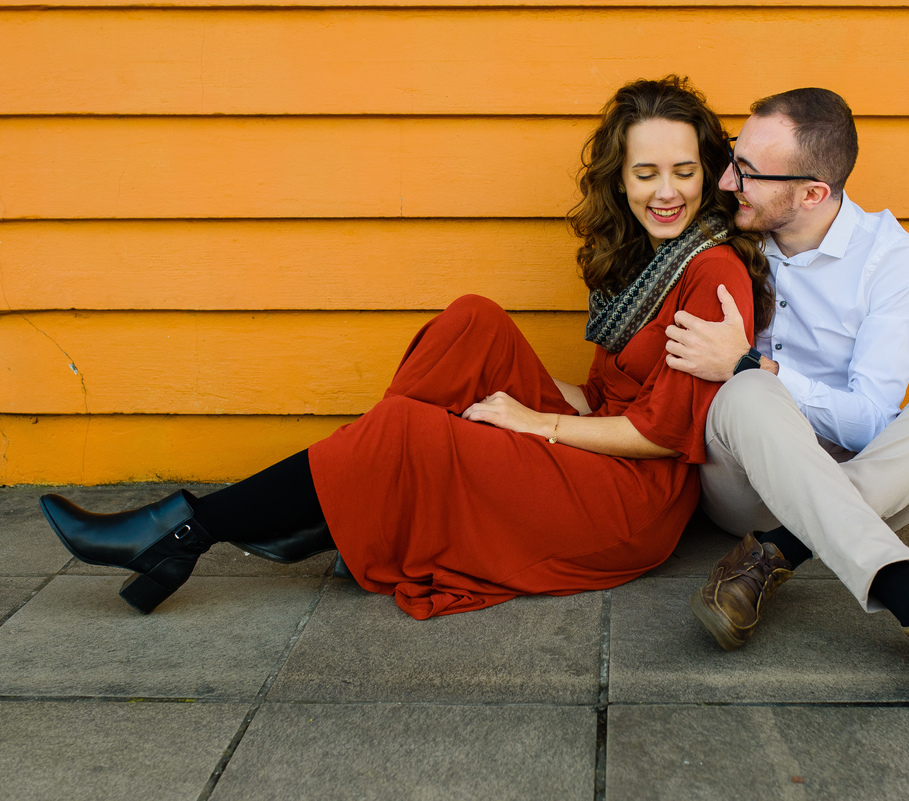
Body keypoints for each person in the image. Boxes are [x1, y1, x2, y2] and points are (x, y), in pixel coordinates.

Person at [39, 76, 774, 621]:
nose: (667, 191)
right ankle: (348, 490)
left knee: (409, 431)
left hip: (631, 504)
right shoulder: (646, 258)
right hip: (602, 445)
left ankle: (183, 529)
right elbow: (608, 394)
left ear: (710, 170)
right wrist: (508, 394)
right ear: (620, 178)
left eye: (684, 170)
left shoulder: (710, 269)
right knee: (473, 323)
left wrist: (530, 421)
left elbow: (658, 431)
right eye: (646, 173)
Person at [663, 88, 909, 716]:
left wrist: (752, 363)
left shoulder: (889, 259)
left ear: (813, 193)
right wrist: (751, 376)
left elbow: (868, 424)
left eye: (749, 172)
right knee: (749, 393)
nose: (728, 180)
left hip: (853, 474)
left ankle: (776, 551)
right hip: (744, 478)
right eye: (733, 157)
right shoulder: (720, 233)